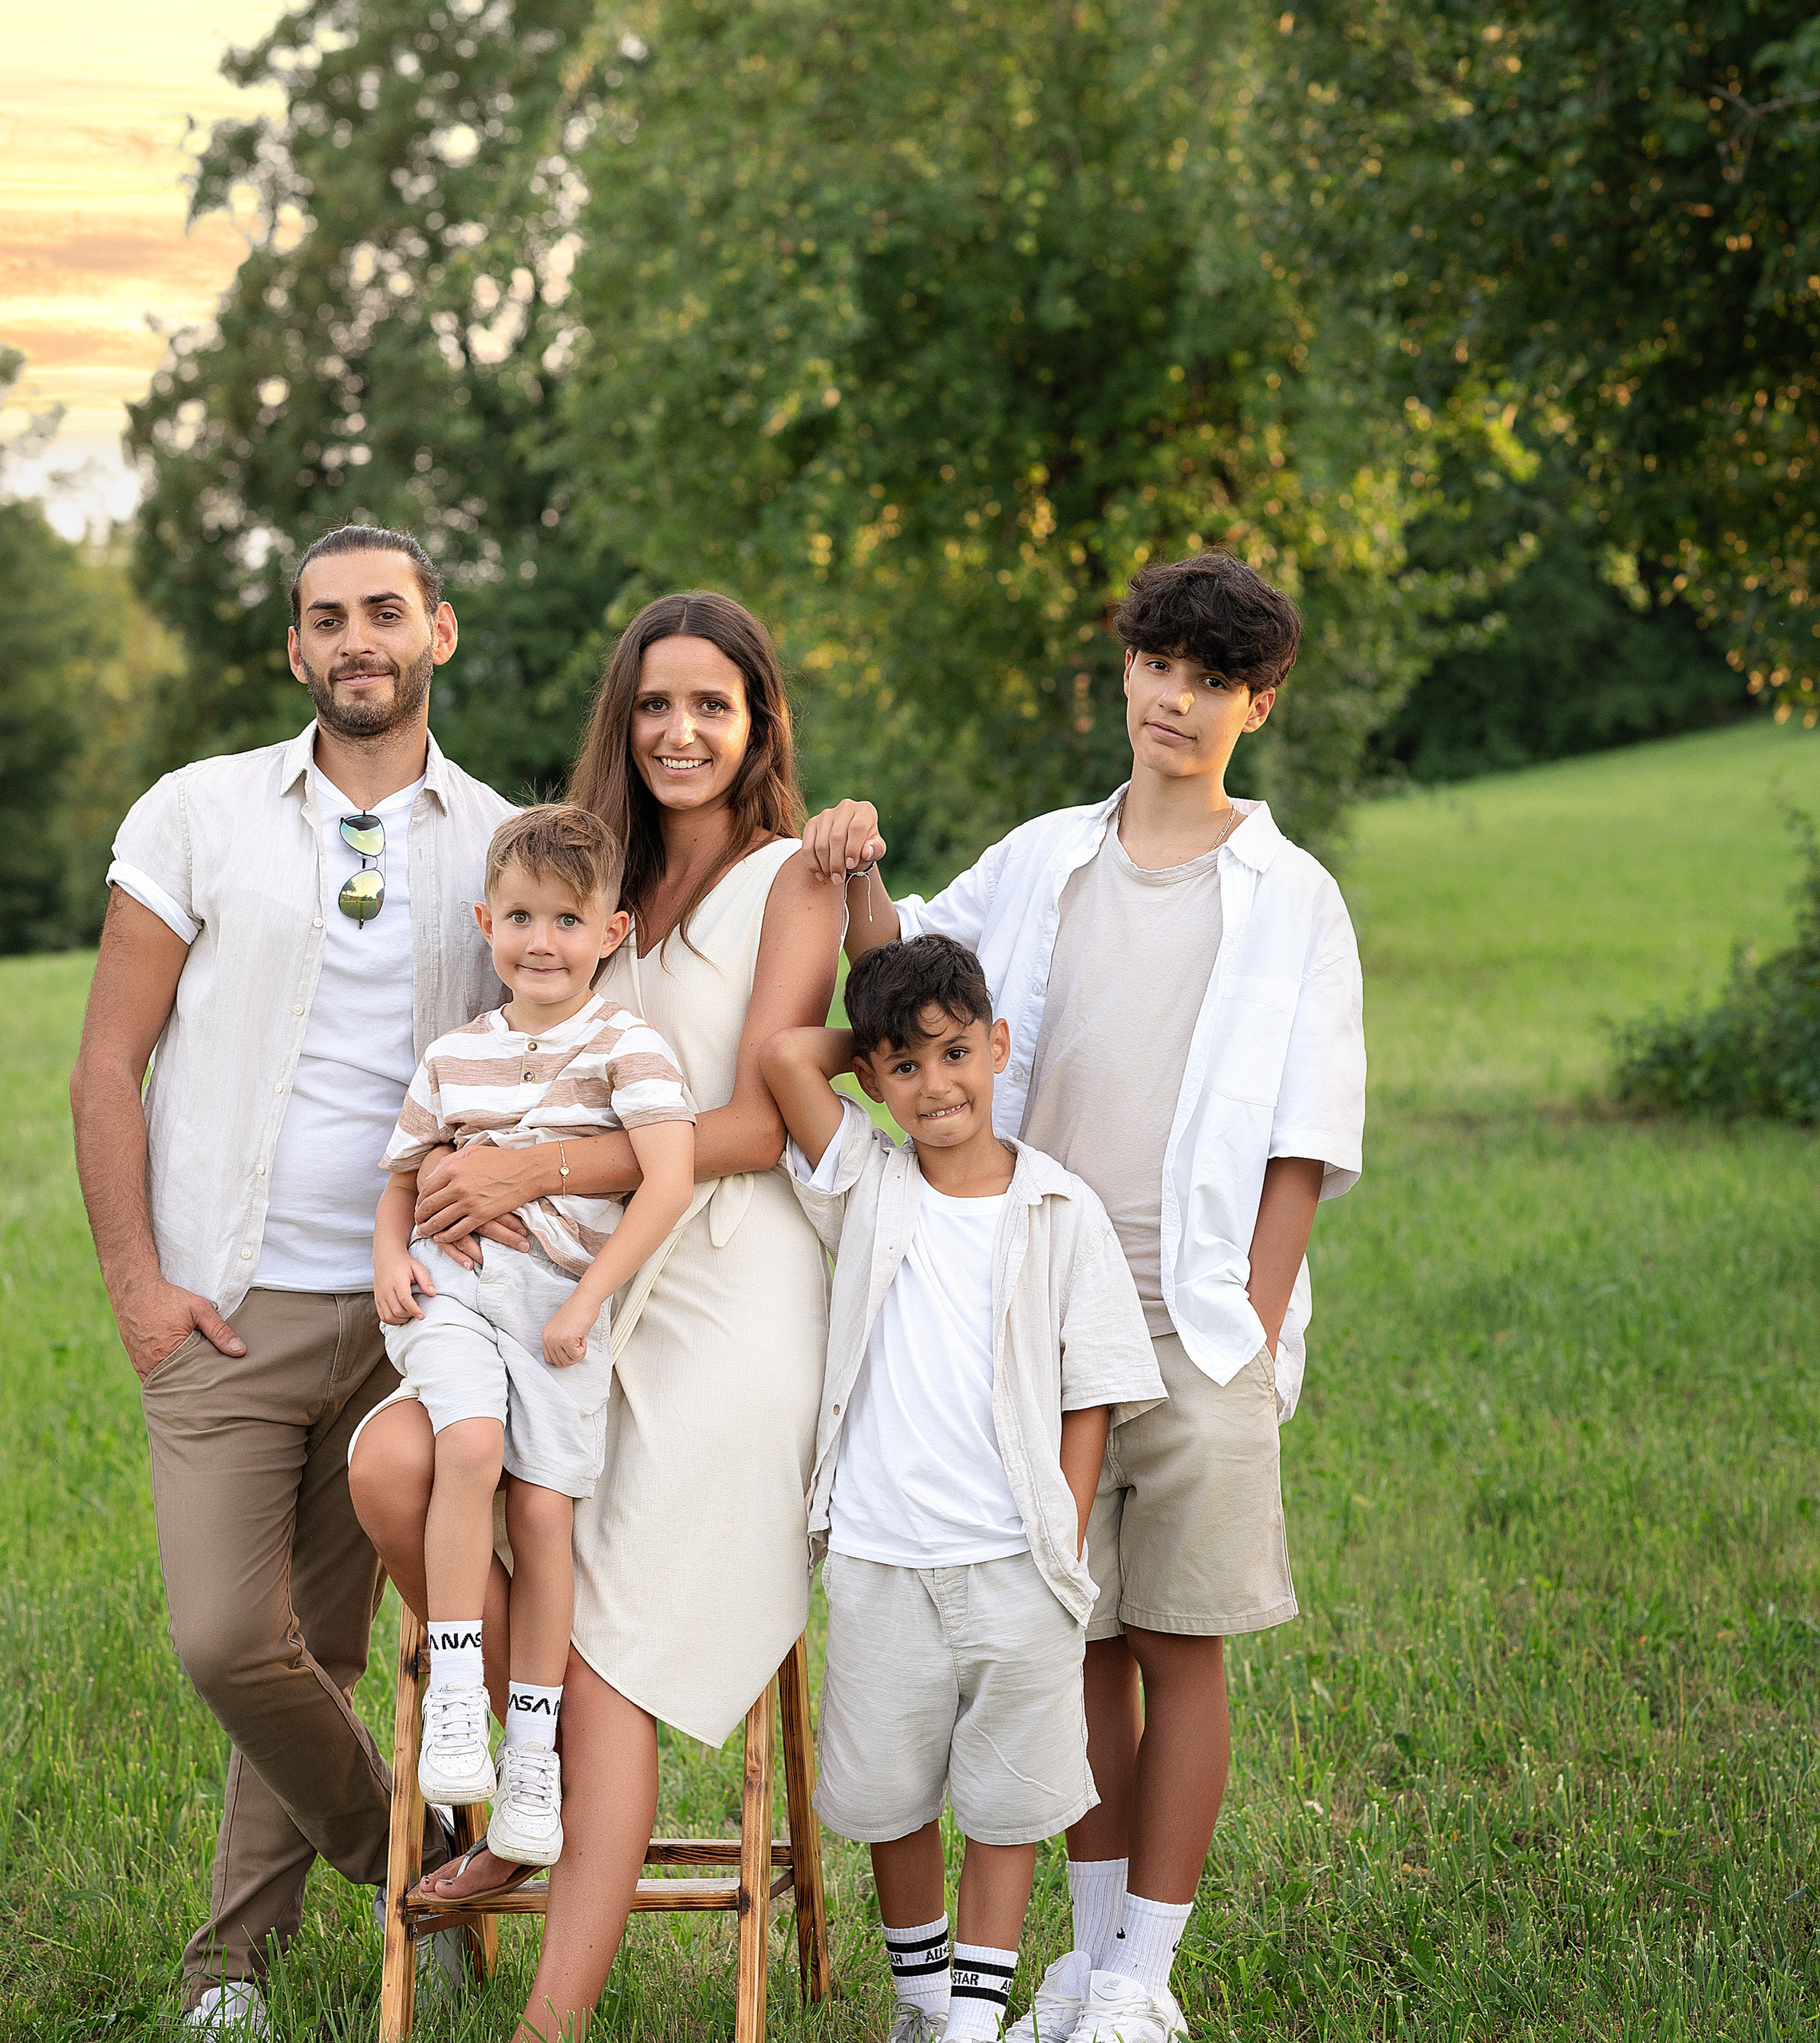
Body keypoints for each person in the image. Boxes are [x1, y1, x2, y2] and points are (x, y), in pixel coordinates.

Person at [802, 551, 1367, 2042]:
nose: (1172, 701)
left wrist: (1244, 1319)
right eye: (1154, 667)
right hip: (1025, 1317)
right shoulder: (1048, 854)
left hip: (1187, 1323)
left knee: (1180, 1644)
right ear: (1126, 671)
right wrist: (856, 866)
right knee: (1079, 1645)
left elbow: (1305, 1141)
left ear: (1255, 703)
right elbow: (907, 980)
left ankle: (1141, 1978)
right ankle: (1082, 1955)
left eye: (1207, 681)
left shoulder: (1292, 897)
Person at [342, 591, 846, 2041]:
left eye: (714, 705)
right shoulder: (584, 875)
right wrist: (471, 1178)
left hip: (724, 1279)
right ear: (621, 719)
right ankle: (528, 1766)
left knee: (612, 1626)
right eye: (654, 704)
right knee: (391, 1465)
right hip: (553, 1270)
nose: (680, 731)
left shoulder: (789, 878)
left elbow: (761, 1119)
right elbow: (497, 1060)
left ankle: (549, 2018)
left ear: (758, 725)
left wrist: (537, 1165)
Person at [70, 524, 516, 2034]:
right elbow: (106, 1063)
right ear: (295, 650)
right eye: (326, 619)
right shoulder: (198, 815)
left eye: (385, 612)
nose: (356, 641)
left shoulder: (505, 840)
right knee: (225, 1640)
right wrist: (139, 1285)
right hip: (226, 1303)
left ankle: (226, 1970)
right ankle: (426, 1861)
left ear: (438, 633)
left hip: (418, 1320)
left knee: (321, 1650)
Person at [760, 935, 1166, 2043]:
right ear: (876, 1082)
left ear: (997, 1047)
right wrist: (875, 1029)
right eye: (903, 1067)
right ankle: (922, 2005)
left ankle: (978, 2017)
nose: (934, 1086)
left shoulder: (1058, 1209)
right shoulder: (867, 1181)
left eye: (954, 1054)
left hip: (1015, 1559)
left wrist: (1066, 1537)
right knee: (891, 1793)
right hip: (883, 1556)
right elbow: (791, 1058)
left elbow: (1094, 1390)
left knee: (1010, 1798)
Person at [352, 804, 695, 1871]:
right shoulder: (458, 1056)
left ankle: (533, 1754)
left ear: (612, 930)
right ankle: (460, 1689)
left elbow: (669, 1177)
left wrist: (587, 1301)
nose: (540, 942)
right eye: (518, 918)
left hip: (557, 1309)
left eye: (564, 920)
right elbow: (404, 1175)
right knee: (466, 1445)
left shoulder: (626, 1045)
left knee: (545, 1519)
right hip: (456, 1293)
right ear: (483, 922)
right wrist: (389, 1264)